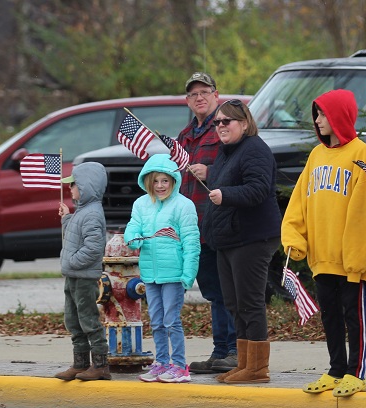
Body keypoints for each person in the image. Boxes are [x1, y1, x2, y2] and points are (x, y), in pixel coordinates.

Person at [281, 89, 366, 397]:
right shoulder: (316, 155)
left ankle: (356, 372)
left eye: (323, 113)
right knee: (331, 314)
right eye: (316, 114)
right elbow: (299, 201)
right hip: (321, 256)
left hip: (352, 258)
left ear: (339, 116)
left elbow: (365, 210)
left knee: (354, 315)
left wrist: (356, 257)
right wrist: (294, 237)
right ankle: (336, 369)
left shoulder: (363, 153)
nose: (318, 120)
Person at [202, 99, 281, 384]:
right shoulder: (226, 152)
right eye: (217, 122)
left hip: (252, 237)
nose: (220, 126)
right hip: (228, 240)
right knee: (234, 303)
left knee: (250, 302)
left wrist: (226, 195)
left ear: (244, 123)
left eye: (227, 121)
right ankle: (245, 362)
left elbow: (258, 189)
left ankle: (258, 369)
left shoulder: (255, 149)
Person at [179, 72, 239, 375]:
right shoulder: (185, 136)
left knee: (230, 290)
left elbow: (240, 167)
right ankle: (219, 351)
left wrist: (210, 172)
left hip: (221, 221)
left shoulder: (226, 127)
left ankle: (235, 350)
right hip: (194, 226)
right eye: (193, 94)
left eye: (205, 92)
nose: (199, 98)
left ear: (216, 95)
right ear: (188, 101)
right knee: (213, 291)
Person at [125, 154, 200, 384]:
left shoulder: (184, 205)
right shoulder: (141, 204)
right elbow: (132, 227)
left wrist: (188, 274)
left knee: (171, 320)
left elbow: (191, 241)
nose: (160, 186)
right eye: (155, 181)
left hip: (174, 274)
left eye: (165, 181)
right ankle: (162, 362)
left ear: (174, 181)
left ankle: (179, 365)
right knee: (156, 320)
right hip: (150, 274)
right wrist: (132, 238)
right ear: (148, 181)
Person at [54, 161, 110, 381]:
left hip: (84, 277)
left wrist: (72, 262)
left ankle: (100, 364)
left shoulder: (93, 214)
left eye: (73, 184)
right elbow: (76, 237)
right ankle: (80, 363)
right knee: (73, 318)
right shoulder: (81, 212)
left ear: (87, 185)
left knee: (88, 318)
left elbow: (94, 247)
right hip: (73, 276)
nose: (70, 188)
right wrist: (67, 218)